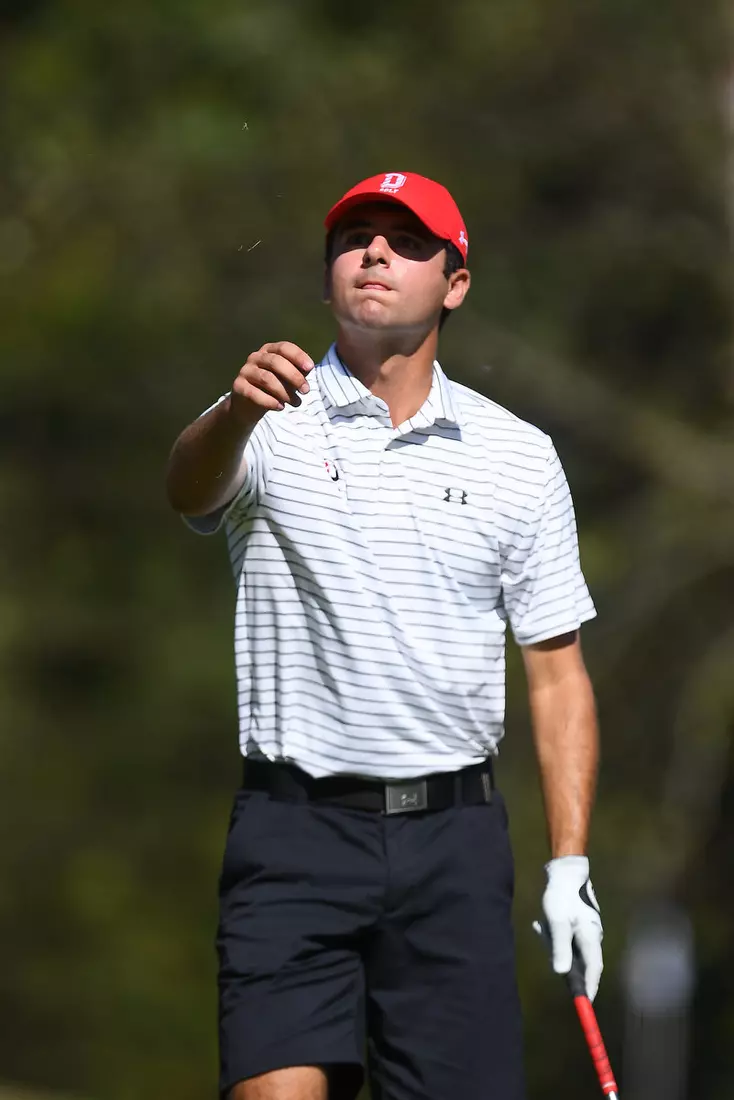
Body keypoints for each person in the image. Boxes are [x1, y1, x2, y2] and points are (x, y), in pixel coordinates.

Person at [165, 170, 604, 1100]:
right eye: (354, 237)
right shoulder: (264, 416)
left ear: (455, 285)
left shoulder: (518, 456)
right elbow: (188, 489)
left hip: (455, 846)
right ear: (327, 274)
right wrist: (235, 412)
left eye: (406, 242)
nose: (373, 253)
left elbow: (557, 674)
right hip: (293, 834)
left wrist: (570, 864)